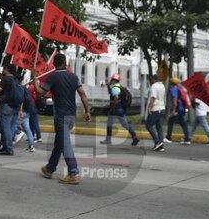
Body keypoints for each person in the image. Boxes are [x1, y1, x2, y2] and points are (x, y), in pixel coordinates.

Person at [35, 53, 91, 184]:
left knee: (65, 144)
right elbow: (83, 94)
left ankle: (73, 172)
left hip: (61, 115)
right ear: (66, 63)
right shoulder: (73, 76)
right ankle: (50, 168)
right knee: (59, 143)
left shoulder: (53, 77)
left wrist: (34, 80)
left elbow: (40, 93)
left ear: (54, 64)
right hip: (72, 115)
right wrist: (87, 111)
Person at [100, 73, 140, 146]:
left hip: (116, 108)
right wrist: (108, 86)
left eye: (111, 79)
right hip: (121, 108)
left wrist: (113, 105)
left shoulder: (114, 88)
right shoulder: (119, 86)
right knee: (124, 124)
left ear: (113, 80)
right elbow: (111, 93)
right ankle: (135, 137)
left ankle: (108, 140)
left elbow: (116, 97)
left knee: (110, 123)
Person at [0, 63, 20, 155]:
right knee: (8, 127)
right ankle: (6, 146)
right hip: (15, 106)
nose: (2, 70)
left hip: (6, 105)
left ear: (7, 69)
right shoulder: (16, 79)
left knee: (5, 127)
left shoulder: (6, 79)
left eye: (4, 68)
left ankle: (9, 148)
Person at [165, 77, 191, 144]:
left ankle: (168, 138)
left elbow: (175, 100)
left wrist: (173, 110)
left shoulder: (174, 89)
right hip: (182, 109)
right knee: (183, 124)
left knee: (170, 122)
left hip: (177, 109)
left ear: (172, 83)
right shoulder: (180, 88)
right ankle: (187, 139)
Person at [145, 73, 166, 151]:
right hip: (162, 108)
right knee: (159, 127)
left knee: (148, 125)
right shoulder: (162, 86)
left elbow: (153, 98)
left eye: (151, 79)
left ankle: (157, 141)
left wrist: (149, 108)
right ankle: (161, 145)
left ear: (154, 79)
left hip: (156, 108)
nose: (151, 80)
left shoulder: (154, 86)